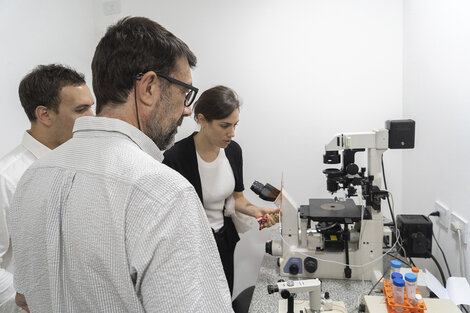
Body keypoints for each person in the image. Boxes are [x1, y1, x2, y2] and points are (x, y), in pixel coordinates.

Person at [8, 17, 233, 313]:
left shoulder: (33, 177)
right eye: (184, 92)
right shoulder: (164, 192)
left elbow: (23, 299)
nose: (188, 110)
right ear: (149, 87)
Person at [163, 85, 279, 295]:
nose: (232, 133)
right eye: (225, 125)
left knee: (224, 298)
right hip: (192, 249)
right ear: (202, 120)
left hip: (224, 241)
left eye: (235, 125)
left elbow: (238, 199)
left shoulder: (233, 151)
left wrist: (257, 211)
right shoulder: (175, 158)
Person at [0, 64, 94, 312]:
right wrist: (36, 301)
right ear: (45, 115)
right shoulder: (5, 179)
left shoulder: (87, 165)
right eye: (81, 110)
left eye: (91, 106)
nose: (93, 117)